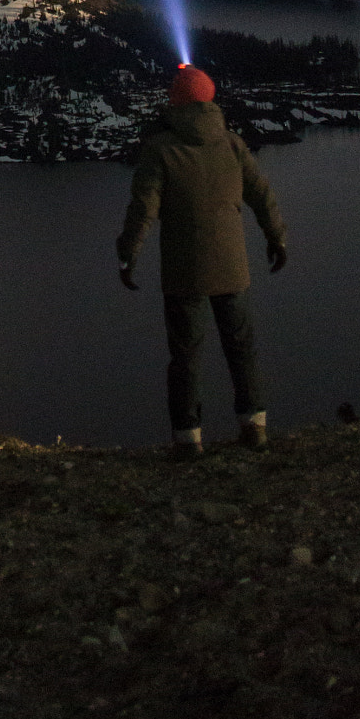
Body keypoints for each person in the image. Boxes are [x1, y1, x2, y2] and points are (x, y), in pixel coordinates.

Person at [116, 64, 287, 458]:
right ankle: (254, 427)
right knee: (241, 347)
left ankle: (188, 439)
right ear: (210, 100)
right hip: (232, 266)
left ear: (175, 102)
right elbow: (262, 195)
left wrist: (128, 257)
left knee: (185, 357)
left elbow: (144, 209)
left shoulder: (160, 148)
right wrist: (277, 238)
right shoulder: (232, 144)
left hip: (183, 270)